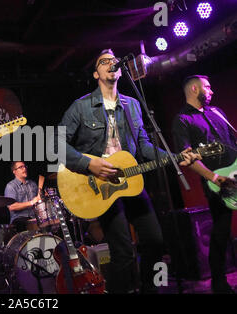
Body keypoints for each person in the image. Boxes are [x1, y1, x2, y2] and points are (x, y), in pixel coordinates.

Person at [56, 49, 199, 294]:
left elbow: (143, 145)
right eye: (104, 61)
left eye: (114, 60)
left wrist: (175, 158)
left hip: (130, 182)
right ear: (96, 73)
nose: (111, 63)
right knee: (123, 252)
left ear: (120, 70)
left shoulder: (132, 105)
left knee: (155, 240)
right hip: (99, 185)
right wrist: (90, 164)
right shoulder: (81, 107)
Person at [171, 75, 236, 294]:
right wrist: (214, 178)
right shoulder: (182, 120)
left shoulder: (217, 112)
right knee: (221, 231)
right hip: (217, 182)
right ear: (194, 88)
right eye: (207, 87)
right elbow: (185, 158)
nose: (211, 91)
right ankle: (219, 283)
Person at [4, 161, 40, 232]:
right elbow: (12, 207)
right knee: (22, 223)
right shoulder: (11, 186)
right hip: (20, 219)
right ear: (14, 171)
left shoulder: (33, 184)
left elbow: (38, 202)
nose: (24, 168)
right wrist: (31, 202)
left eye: (25, 166)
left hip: (34, 217)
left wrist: (42, 198)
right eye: (21, 167)